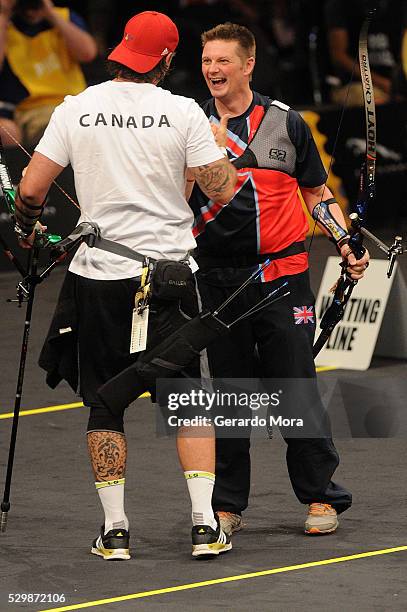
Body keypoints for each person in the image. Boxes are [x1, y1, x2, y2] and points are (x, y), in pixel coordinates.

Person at [13, 11, 238, 559]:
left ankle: (115, 532)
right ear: (166, 60)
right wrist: (217, 143)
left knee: (104, 406)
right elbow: (223, 191)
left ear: (121, 51)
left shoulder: (77, 106)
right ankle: (205, 526)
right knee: (189, 403)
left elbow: (31, 188)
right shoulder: (183, 111)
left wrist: (27, 225)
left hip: (100, 281)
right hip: (168, 280)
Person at [187, 22, 370, 537]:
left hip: (284, 275)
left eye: (223, 61)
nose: (212, 70)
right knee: (229, 392)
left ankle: (319, 498)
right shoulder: (190, 123)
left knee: (295, 388)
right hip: (218, 279)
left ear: (248, 65)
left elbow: (316, 194)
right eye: (207, 61)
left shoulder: (287, 124)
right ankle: (226, 506)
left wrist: (342, 239)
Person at [0, 0, 97, 148]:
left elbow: (88, 54)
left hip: (77, 102)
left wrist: (50, 13)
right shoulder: (6, 25)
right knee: (61, 129)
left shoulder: (63, 16)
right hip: (35, 110)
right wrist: (4, 13)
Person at [325, 0, 407, 106]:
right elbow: (339, 56)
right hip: (354, 84)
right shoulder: (339, 5)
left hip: (396, 82)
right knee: (373, 102)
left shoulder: (400, 5)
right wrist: (384, 84)